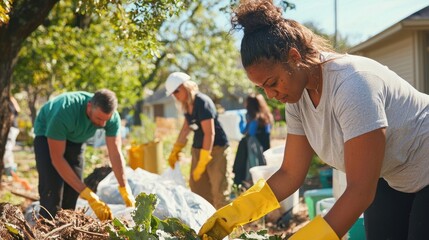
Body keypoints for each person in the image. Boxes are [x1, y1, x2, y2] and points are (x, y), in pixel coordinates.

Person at [198, 1, 429, 240]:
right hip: (392, 175)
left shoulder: (353, 85)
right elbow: (290, 173)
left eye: (272, 83)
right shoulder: (297, 98)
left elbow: (360, 191)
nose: (270, 95)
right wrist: (234, 214)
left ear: (294, 57)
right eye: (262, 88)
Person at [33, 89, 135, 221]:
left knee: (73, 190)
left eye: (106, 120)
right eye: (99, 118)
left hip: (76, 138)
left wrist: (124, 188)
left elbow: (115, 152)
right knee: (52, 190)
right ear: (89, 107)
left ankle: (65, 229)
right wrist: (89, 195)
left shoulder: (111, 117)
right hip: (47, 135)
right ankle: (46, 228)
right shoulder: (65, 111)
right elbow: (57, 159)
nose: (102, 124)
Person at [165, 72, 230, 209]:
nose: (175, 95)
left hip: (216, 149)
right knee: (197, 189)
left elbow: (209, 133)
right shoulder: (186, 105)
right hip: (198, 148)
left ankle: (224, 226)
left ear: (185, 86)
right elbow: (185, 130)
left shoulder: (202, 102)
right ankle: (205, 222)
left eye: (176, 91)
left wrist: (204, 159)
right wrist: (176, 150)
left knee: (219, 190)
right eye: (172, 94)